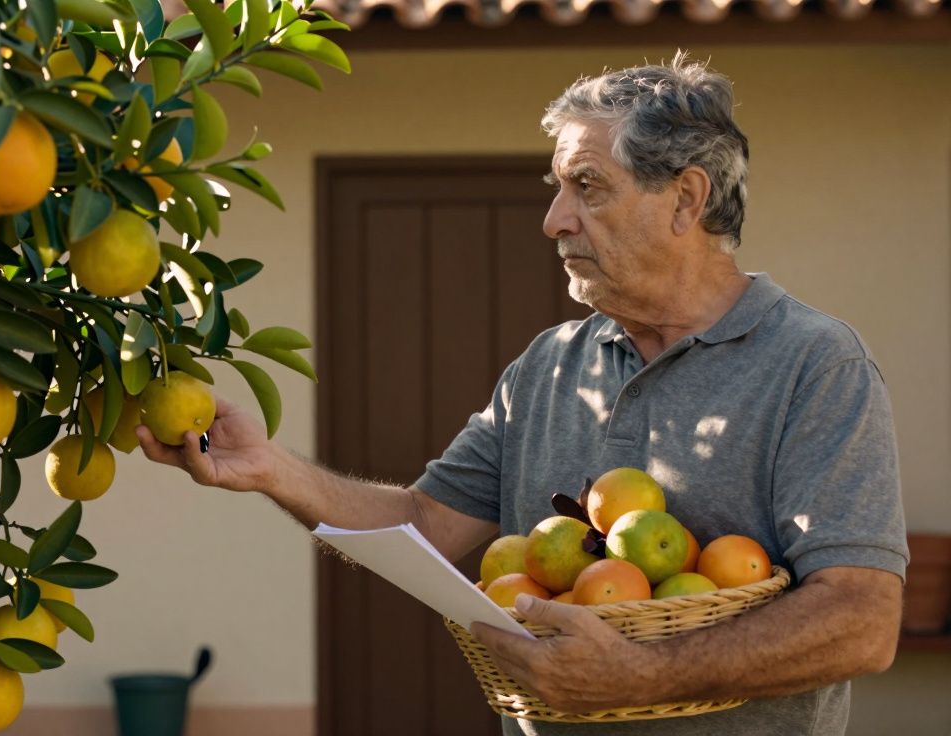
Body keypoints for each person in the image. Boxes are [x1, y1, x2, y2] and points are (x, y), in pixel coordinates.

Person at [136, 53, 907, 735]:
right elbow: (421, 525)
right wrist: (270, 468)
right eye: (557, 188)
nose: (553, 220)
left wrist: (640, 677)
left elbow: (861, 621)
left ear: (685, 200)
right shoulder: (549, 366)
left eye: (586, 187)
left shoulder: (814, 364)